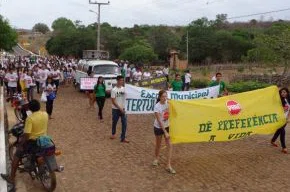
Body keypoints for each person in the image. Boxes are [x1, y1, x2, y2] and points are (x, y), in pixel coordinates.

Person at [1, 99, 48, 189]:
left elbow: (26, 135)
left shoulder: (30, 119)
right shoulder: (45, 114)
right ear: (39, 106)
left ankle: (11, 178)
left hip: (33, 142)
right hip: (45, 139)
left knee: (17, 155)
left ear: (30, 108)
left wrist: (21, 144)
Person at [152, 90, 175, 174]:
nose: (165, 98)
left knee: (170, 145)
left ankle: (168, 165)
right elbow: (159, 121)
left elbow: (174, 112)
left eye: (166, 96)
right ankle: (156, 158)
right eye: (163, 96)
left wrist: (172, 103)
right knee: (158, 144)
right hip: (158, 127)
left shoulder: (168, 103)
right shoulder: (157, 106)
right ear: (159, 97)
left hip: (167, 126)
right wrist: (165, 132)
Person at [110, 75, 129, 143]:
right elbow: (113, 101)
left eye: (122, 80)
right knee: (114, 122)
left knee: (124, 123)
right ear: (117, 81)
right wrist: (119, 108)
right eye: (121, 80)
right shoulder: (113, 90)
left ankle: (123, 138)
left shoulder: (124, 89)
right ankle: (113, 133)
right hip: (115, 109)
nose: (122, 82)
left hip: (123, 109)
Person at [271, 88, 290, 154]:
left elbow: (289, 110)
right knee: (282, 131)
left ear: (287, 93)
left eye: (284, 92)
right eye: (281, 92)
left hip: (285, 119)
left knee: (279, 130)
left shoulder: (288, 100)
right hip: (279, 119)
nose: (283, 93)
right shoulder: (279, 101)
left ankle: (273, 140)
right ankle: (284, 147)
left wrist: (288, 118)